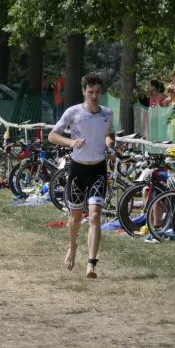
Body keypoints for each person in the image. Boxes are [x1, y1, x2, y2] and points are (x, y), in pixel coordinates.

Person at [47, 74, 115, 278]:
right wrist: (71, 143)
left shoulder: (107, 113)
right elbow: (52, 135)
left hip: (98, 170)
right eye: (90, 92)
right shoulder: (73, 112)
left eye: (97, 92)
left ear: (101, 93)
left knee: (95, 216)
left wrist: (111, 146)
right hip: (78, 170)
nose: (94, 96)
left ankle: (91, 264)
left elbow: (109, 133)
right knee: (75, 217)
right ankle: (73, 245)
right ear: (84, 91)